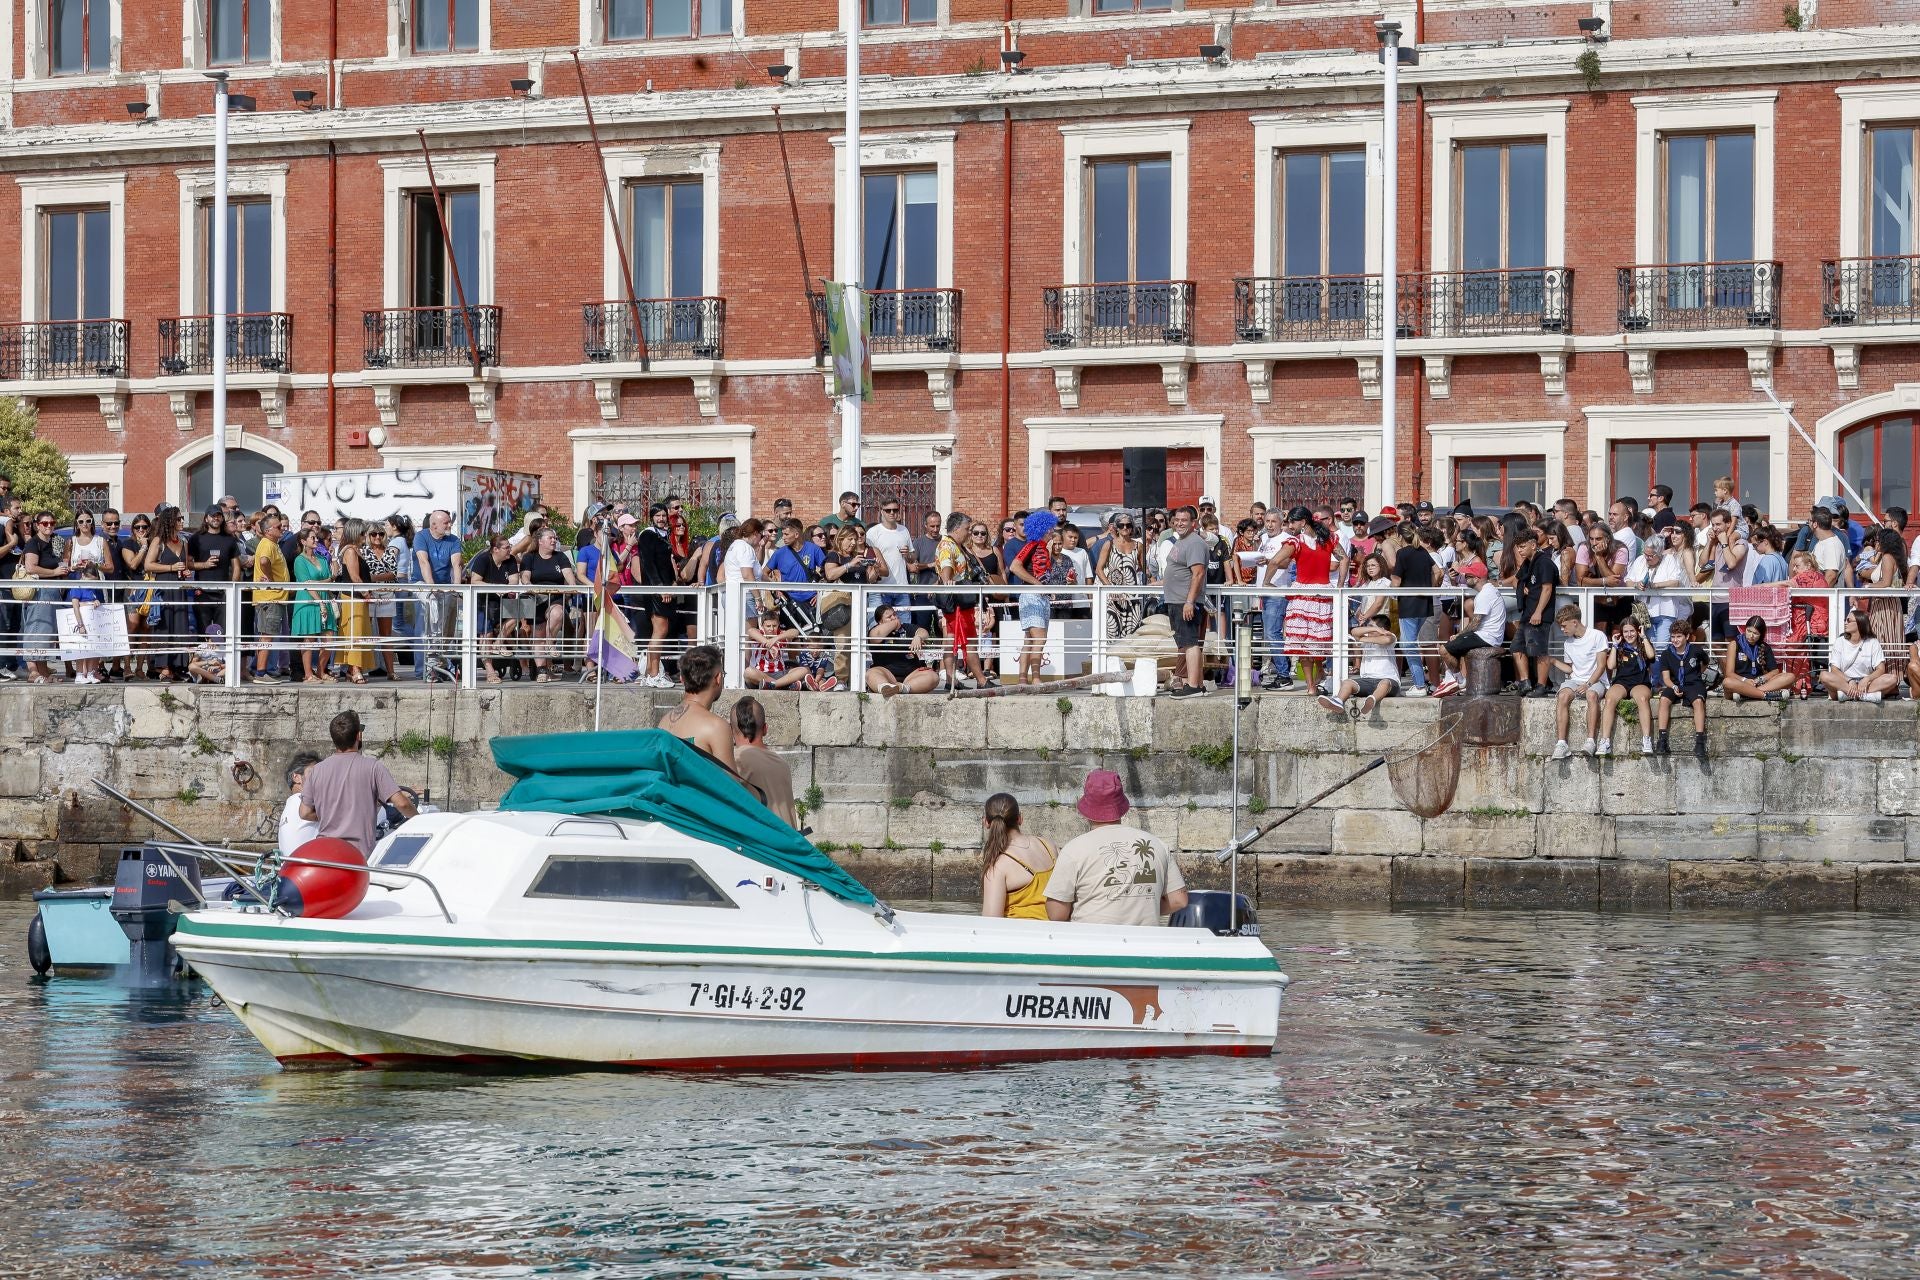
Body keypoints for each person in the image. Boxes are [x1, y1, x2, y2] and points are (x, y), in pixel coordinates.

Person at [1044, 771, 1188, 926]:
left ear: (1086, 808)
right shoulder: (1157, 844)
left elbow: (1056, 914)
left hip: (1093, 944)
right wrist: (1139, 909)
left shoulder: (1074, 850)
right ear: (1121, 807)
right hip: (1145, 945)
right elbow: (1179, 900)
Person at [300, 710, 416, 857]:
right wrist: (419, 819)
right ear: (358, 736)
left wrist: (333, 815)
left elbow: (304, 812)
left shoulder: (317, 770)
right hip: (358, 856)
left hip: (326, 854)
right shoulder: (373, 767)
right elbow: (402, 804)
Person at [978, 793, 1057, 921]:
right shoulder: (1049, 846)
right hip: (1054, 934)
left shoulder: (998, 867)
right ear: (1020, 818)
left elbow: (990, 924)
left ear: (986, 822)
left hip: (1021, 937)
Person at [658, 643, 735, 768]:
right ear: (718, 678)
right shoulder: (716, 727)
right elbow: (731, 785)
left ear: (682, 679)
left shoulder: (664, 722)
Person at [1161, 505, 1211, 697]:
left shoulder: (1195, 543)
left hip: (1185, 602)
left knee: (1190, 643)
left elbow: (1198, 574)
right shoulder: (1181, 541)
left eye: (1184, 520)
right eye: (1177, 520)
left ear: (1193, 523)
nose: (1180, 523)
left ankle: (1194, 686)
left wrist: (1190, 602)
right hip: (1176, 601)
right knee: (1187, 643)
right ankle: (1196, 683)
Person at [1435, 561, 1504, 697]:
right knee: (1453, 647)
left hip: (1487, 636)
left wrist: (1459, 634)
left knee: (1443, 649)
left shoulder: (1485, 594)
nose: (1465, 577)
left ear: (1477, 578)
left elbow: (1476, 622)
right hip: (1488, 635)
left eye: (1467, 576)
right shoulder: (1488, 590)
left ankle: (1459, 681)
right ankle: (1452, 678)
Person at [1548, 605, 1609, 759]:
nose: (1562, 630)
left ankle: (1590, 741)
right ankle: (1561, 744)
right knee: (1562, 696)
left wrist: (1588, 684)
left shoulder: (1597, 635)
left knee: (1591, 695)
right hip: (1575, 680)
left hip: (1595, 681)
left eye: (1564, 626)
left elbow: (1601, 666)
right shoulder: (1568, 643)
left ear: (1574, 622)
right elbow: (1570, 670)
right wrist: (1552, 661)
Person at [1008, 511, 1060, 686]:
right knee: (1039, 638)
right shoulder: (1032, 544)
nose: (1052, 531)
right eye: (1050, 527)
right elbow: (1015, 566)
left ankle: (1023, 678)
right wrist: (1037, 584)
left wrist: (1047, 588)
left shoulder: (1044, 548)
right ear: (1043, 528)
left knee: (1030, 639)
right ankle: (1036, 678)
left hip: (1040, 597)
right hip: (1031, 595)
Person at [412, 508, 464, 682]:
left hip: (445, 585)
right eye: (446, 522)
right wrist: (432, 588)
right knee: (432, 611)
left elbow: (456, 565)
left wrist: (457, 589)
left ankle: (440, 662)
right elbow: (423, 562)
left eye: (450, 522)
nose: (450, 525)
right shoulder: (421, 537)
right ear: (434, 525)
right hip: (422, 583)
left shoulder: (453, 540)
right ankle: (430, 665)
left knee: (449, 623)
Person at [731, 696, 797, 828]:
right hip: (789, 843)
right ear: (765, 729)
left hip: (762, 845)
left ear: (731, 730)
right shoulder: (782, 764)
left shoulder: (734, 760)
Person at [1390, 523, 1439, 696]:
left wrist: (1389, 592)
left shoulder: (1402, 553)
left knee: (1408, 644)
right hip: (1425, 603)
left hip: (1409, 604)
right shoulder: (1423, 552)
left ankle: (1419, 685)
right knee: (1410, 643)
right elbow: (1438, 572)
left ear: (1400, 536)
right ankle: (1419, 684)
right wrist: (1429, 588)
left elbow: (1396, 580)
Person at [1597, 616, 1656, 758]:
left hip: (1640, 682)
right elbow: (1610, 666)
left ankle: (1646, 740)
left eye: (1632, 631)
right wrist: (1615, 646)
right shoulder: (1620, 647)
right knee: (1610, 698)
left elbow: (1651, 656)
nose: (1629, 635)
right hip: (1622, 682)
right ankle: (1605, 741)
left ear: (1637, 630)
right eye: (1626, 632)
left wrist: (1644, 637)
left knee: (1642, 699)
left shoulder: (1644, 644)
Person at [1319, 619, 1399, 719]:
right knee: (1347, 682)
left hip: (1389, 680)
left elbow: (1386, 640)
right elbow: (1354, 632)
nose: (1367, 629)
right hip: (1367, 680)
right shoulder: (1366, 640)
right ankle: (1338, 702)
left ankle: (1372, 700)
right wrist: (1374, 629)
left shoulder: (1391, 636)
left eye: (1370, 626)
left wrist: (1362, 639)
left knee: (1385, 683)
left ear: (1382, 629)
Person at [1510, 526, 1557, 695]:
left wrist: (1538, 612)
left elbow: (1547, 589)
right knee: (1517, 647)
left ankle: (1541, 685)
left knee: (1539, 650)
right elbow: (1516, 580)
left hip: (1540, 614)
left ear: (1532, 544)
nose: (1519, 550)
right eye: (1518, 547)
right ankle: (1525, 682)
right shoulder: (1528, 562)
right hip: (1527, 612)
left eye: (1522, 546)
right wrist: (1522, 586)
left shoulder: (1543, 562)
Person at [1655, 618, 1711, 759]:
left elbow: (1705, 663)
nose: (1675, 640)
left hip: (1693, 684)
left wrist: (1697, 675)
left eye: (1679, 636)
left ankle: (1699, 741)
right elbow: (1666, 678)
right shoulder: (1667, 654)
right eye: (1673, 637)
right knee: (1664, 700)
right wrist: (1673, 686)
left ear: (1687, 637)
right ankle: (1662, 739)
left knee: (1698, 702)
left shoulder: (1695, 650)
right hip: (1675, 684)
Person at [1821, 608, 1898, 704]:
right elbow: (1834, 669)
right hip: (1845, 682)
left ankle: (1848, 695)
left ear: (1859, 623)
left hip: (1867, 683)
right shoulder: (1840, 641)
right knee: (1824, 675)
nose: (1845, 623)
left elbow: (1881, 669)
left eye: (1848, 620)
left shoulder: (1872, 642)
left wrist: (1867, 679)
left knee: (1893, 678)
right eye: (1845, 620)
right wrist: (1850, 680)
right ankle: (1864, 696)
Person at [866, 603, 938, 695]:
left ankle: (902, 688)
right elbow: (875, 637)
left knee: (933, 676)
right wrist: (895, 623)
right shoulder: (875, 630)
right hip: (887, 673)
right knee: (871, 674)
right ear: (880, 622)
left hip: (912, 674)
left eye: (895, 615)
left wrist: (918, 637)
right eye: (889, 617)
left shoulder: (907, 627)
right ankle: (886, 687)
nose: (894, 617)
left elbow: (924, 632)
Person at [1724, 615, 1794, 702]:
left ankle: (1748, 694)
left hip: (1758, 684)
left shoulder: (1764, 647)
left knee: (1790, 677)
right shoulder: (1734, 644)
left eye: (1755, 633)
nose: (1751, 636)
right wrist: (1745, 680)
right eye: (1749, 631)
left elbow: (1775, 671)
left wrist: (1760, 679)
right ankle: (1764, 695)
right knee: (1727, 682)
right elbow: (1729, 673)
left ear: (1761, 635)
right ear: (1745, 629)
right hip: (1740, 683)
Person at [63, 560, 107, 685]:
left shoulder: (93, 590)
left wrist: (97, 603)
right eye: (90, 581)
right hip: (81, 622)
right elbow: (75, 605)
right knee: (81, 650)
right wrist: (80, 624)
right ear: (83, 576)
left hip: (93, 625)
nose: (92, 584)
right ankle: (80, 674)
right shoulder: (77, 587)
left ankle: (91, 672)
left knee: (92, 650)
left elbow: (94, 601)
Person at [279, 752, 322, 854]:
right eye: (314, 773)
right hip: (308, 867)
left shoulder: (289, 805)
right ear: (296, 777)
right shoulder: (302, 801)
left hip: (289, 868)